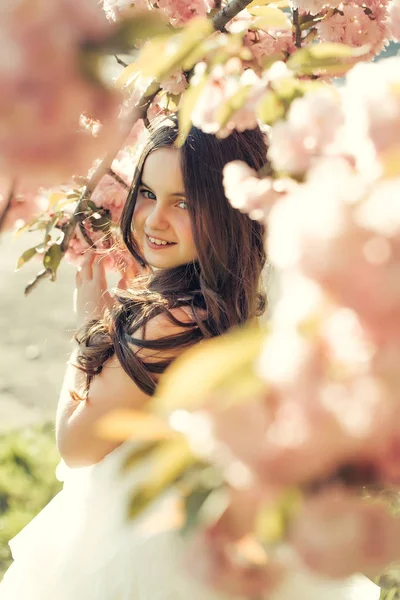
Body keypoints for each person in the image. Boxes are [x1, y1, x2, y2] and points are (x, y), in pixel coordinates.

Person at [0, 117, 380, 600]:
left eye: (184, 203)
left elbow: (76, 445)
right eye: (147, 193)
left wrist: (89, 330)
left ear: (226, 212)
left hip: (143, 549)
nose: (155, 219)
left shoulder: (174, 322)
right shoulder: (225, 301)